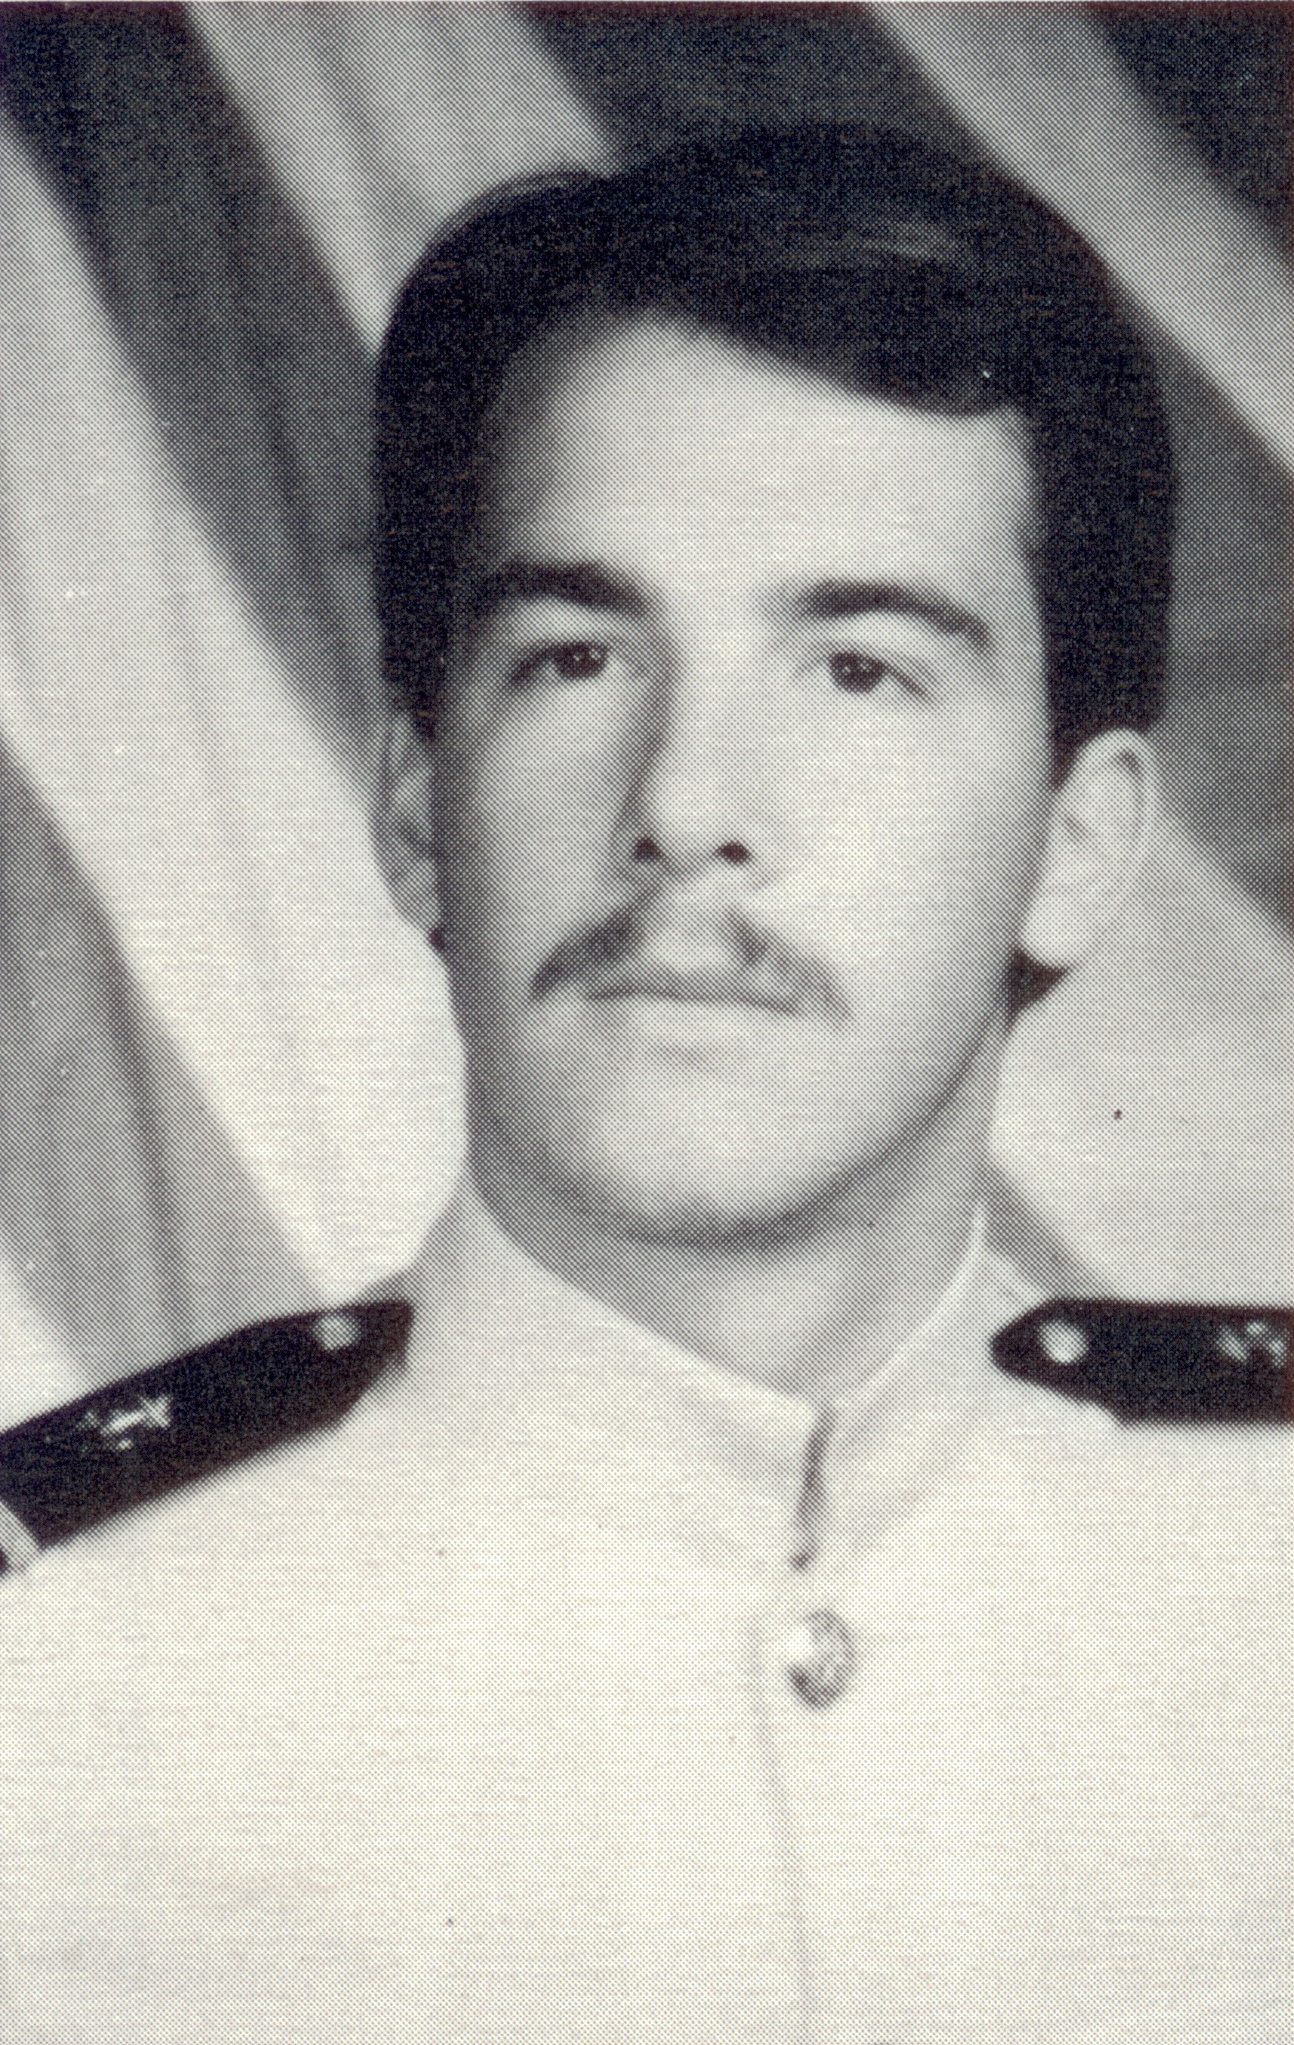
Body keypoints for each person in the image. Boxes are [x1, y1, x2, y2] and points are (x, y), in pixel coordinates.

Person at [1, 125, 1289, 2044]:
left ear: (1077, 842)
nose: (683, 803)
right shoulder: (51, 1688)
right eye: (577, 654)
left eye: (857, 668)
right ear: (418, 806)